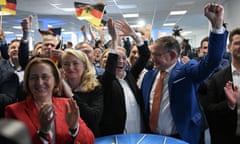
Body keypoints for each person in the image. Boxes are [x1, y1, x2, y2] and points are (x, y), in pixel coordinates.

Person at [140, 3, 227, 144]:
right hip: (152, 138)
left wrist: (217, 27)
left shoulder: (187, 71)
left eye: (156, 54)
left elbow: (212, 61)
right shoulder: (149, 76)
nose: (152, 58)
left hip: (181, 137)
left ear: (173, 55)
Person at [4, 58, 94, 144]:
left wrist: (74, 128)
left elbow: (90, 140)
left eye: (45, 77)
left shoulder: (67, 104)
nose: (39, 82)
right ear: (27, 82)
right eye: (34, 78)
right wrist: (42, 132)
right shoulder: (13, 111)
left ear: (55, 81)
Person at [99, 18, 150, 136]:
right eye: (116, 58)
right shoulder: (105, 80)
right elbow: (110, 73)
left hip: (139, 130)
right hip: (118, 134)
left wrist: (134, 35)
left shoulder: (130, 76)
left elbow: (145, 55)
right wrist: (115, 40)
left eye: (123, 58)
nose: (120, 61)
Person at [203, 28, 240, 144]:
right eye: (237, 43)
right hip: (227, 138)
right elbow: (209, 111)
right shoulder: (217, 78)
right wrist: (229, 104)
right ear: (229, 48)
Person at [61, 49, 103, 137]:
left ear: (84, 65)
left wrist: (71, 95)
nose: (70, 67)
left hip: (90, 137)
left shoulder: (95, 87)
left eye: (75, 63)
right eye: (66, 64)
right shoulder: (58, 89)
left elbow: (93, 118)